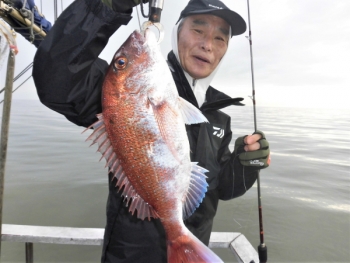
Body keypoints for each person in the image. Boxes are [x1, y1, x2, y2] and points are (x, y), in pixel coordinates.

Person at [32, 0, 270, 262]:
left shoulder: (218, 116)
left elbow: (221, 189)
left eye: (220, 38)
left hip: (191, 252)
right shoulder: (119, 92)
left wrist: (244, 167)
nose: (208, 45)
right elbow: (56, 78)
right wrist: (106, 7)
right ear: (177, 31)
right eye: (198, 30)